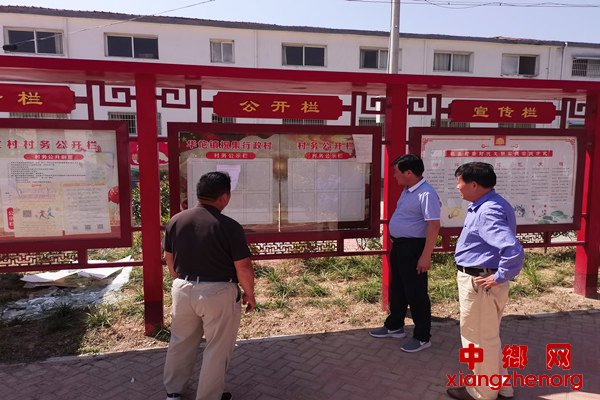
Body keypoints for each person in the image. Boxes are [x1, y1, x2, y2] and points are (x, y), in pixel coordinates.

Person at [163, 171, 255, 400]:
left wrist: (180, 279)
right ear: (224, 197)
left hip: (182, 288)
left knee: (180, 341)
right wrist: (249, 294)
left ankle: (173, 392)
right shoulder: (229, 226)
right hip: (218, 292)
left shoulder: (176, 220)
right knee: (217, 348)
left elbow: (169, 257)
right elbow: (243, 267)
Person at [447, 162, 524, 400]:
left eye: (459, 182)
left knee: (477, 338)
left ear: (473, 184)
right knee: (488, 337)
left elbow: (512, 249)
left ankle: (483, 392)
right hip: (484, 279)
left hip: (480, 281)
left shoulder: (488, 210)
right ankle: (501, 387)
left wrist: (499, 276)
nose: (457, 187)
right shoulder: (492, 204)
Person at [369, 154, 441, 353]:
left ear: (409, 173)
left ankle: (422, 337)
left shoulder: (426, 194)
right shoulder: (408, 190)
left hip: (414, 249)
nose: (394, 176)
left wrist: (425, 256)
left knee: (416, 293)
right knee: (398, 289)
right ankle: (395, 325)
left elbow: (434, 226)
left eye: (397, 172)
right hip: (400, 247)